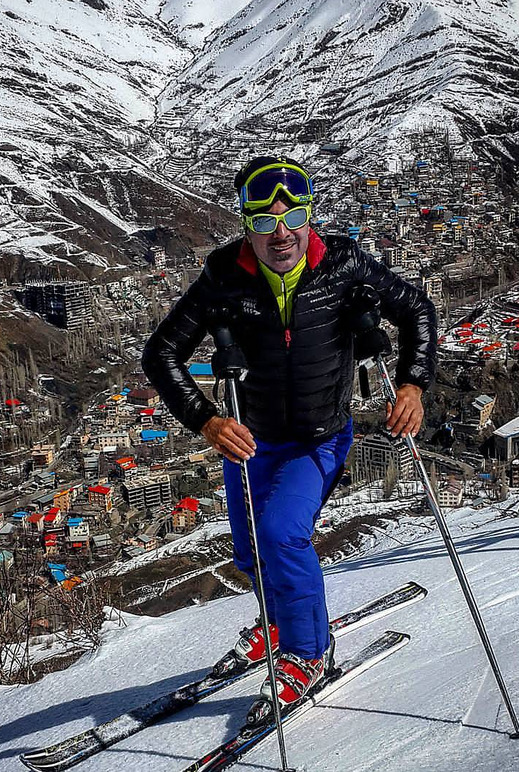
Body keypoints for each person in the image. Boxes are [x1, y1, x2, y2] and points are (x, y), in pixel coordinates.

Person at [142, 155, 437, 712]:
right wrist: (207, 420)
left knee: (280, 534)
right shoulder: (223, 277)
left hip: (318, 437)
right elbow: (162, 352)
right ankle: (278, 623)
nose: (280, 233)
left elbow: (416, 309)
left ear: (309, 215)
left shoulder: (345, 265)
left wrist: (413, 385)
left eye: (292, 216)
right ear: (244, 224)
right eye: (263, 222)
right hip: (249, 441)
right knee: (253, 553)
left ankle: (308, 650)